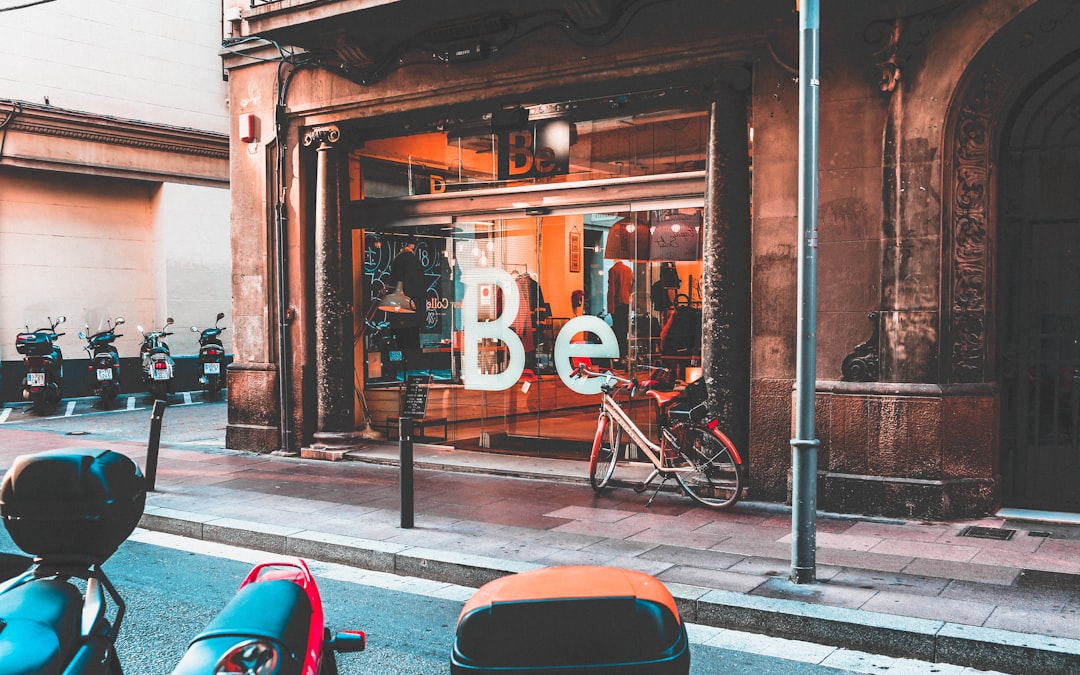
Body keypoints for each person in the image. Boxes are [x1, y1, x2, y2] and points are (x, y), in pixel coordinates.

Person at [386, 235, 427, 378]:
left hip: (400, 312)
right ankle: (412, 376)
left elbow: (397, 285)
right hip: (411, 311)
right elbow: (419, 289)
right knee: (411, 350)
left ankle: (403, 374)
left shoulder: (399, 260)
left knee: (401, 347)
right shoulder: (414, 262)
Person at [607, 259, 633, 360]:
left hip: (617, 304)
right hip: (626, 303)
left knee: (617, 330)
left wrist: (610, 308)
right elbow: (631, 287)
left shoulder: (613, 270)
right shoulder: (628, 270)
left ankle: (618, 355)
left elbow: (611, 290)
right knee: (624, 330)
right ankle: (624, 354)